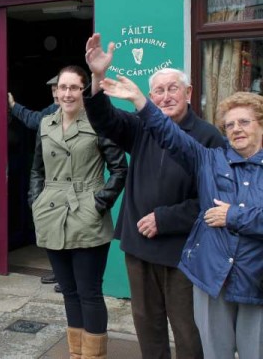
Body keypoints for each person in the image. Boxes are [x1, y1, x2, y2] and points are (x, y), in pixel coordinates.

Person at [84, 33, 224, 359]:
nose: (165, 96)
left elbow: (214, 200)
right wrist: (97, 77)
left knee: (189, 332)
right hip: (140, 247)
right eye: (158, 91)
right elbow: (104, 119)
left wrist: (165, 218)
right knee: (148, 327)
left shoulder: (208, 136)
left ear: (189, 93)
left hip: (185, 253)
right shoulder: (140, 127)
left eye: (172, 88)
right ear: (150, 96)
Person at [101, 77, 263, 359]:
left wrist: (233, 215)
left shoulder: (210, 142)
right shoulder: (212, 160)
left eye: (245, 122)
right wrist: (137, 100)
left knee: (241, 347)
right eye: (230, 125)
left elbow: (214, 208)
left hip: (248, 278)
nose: (236, 129)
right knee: (211, 349)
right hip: (213, 277)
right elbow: (169, 135)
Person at [29, 65, 127, 359]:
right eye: (63, 88)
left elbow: (120, 168)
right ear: (55, 92)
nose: (68, 93)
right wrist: (35, 200)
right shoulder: (46, 124)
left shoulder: (98, 122)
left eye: (74, 88)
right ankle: (76, 354)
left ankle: (93, 356)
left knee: (89, 292)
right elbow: (37, 168)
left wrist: (99, 203)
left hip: (87, 214)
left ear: (84, 91)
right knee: (68, 291)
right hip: (51, 213)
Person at [8, 76, 60, 289]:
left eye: (63, 87)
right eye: (55, 88)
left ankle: (67, 278)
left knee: (65, 232)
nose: (58, 93)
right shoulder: (51, 109)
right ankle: (60, 273)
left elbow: (33, 120)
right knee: (51, 230)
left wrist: (13, 106)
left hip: (68, 183)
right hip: (48, 179)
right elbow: (35, 118)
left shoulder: (80, 111)